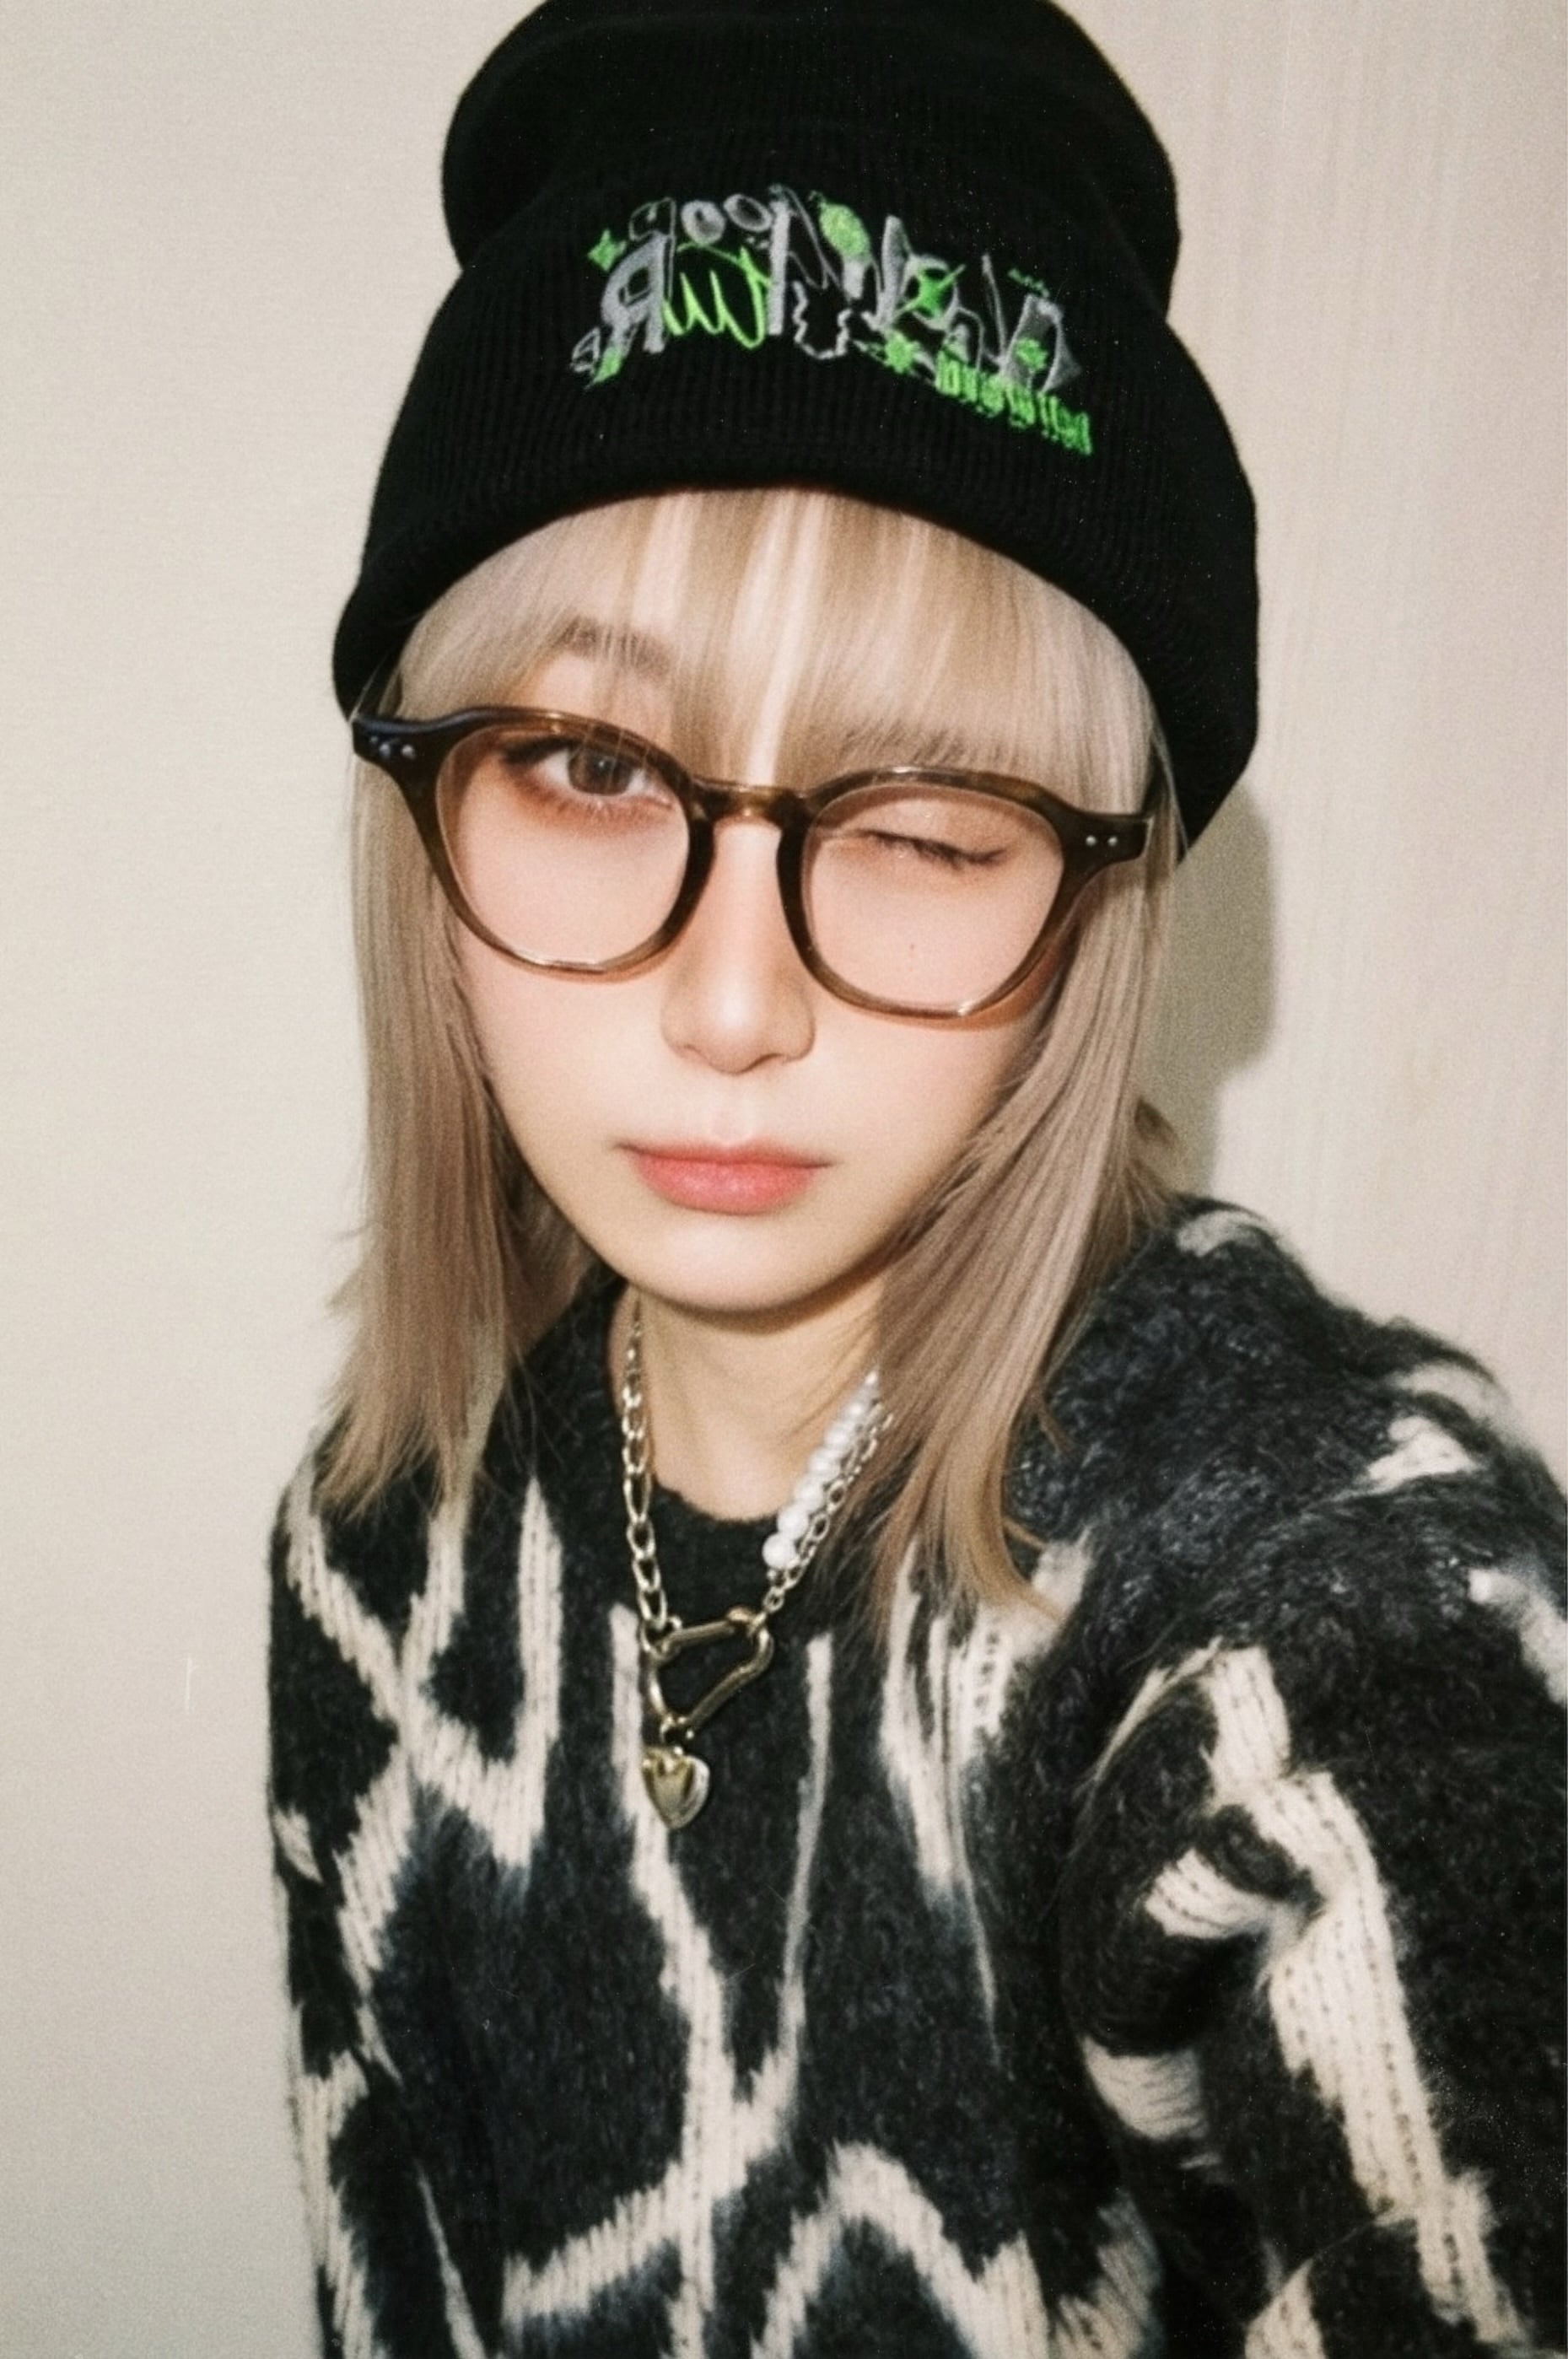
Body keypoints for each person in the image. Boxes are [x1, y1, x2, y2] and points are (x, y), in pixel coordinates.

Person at [267, 3, 1565, 2352]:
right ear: (419, 794)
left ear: (1099, 895)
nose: (732, 1000)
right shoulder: (385, 1543)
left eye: (929, 823)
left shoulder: (1324, 1613)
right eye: (587, 767)